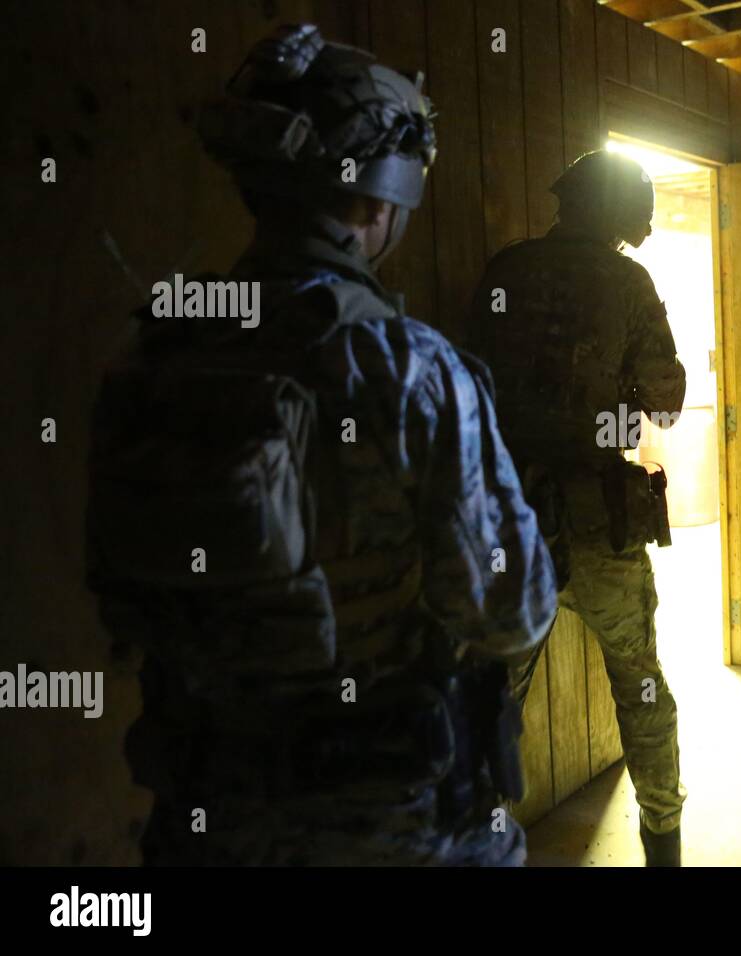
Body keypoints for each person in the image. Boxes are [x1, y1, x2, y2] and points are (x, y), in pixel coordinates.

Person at [85, 23, 555, 865]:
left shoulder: (158, 349)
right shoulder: (408, 367)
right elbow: (511, 614)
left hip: (206, 823)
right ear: (380, 199)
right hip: (391, 828)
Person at [466, 150, 687, 865]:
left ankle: (479, 842)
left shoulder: (504, 270)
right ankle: (663, 842)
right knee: (642, 686)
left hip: (506, 520)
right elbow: (668, 404)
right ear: (619, 212)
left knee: (492, 703)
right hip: (600, 525)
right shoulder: (627, 281)